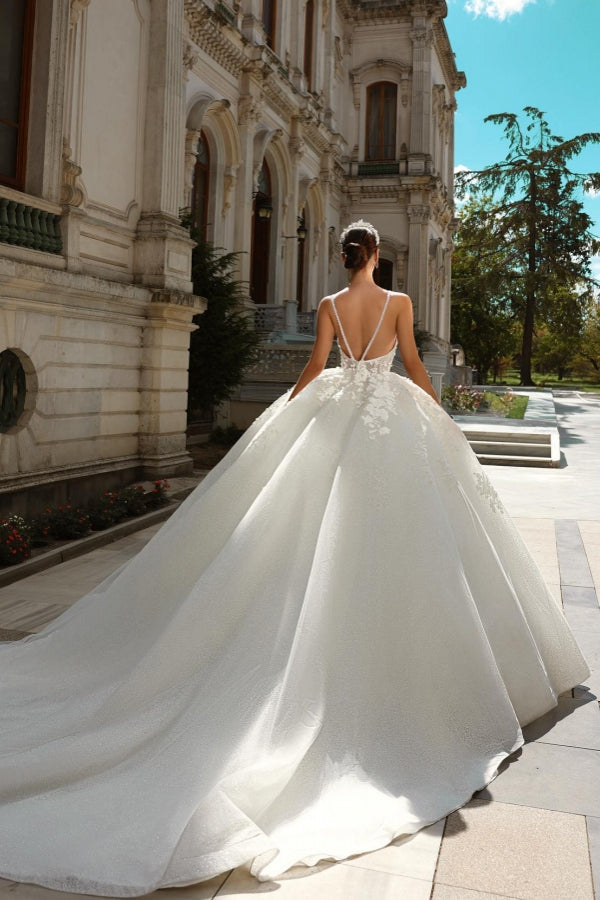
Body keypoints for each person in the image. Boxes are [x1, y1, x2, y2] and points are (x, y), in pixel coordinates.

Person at [0, 220, 589, 897]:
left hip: (338, 415)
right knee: (413, 539)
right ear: (376, 257)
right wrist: (440, 413)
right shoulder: (397, 306)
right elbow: (416, 367)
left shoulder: (331, 307)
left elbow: (315, 369)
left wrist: (284, 415)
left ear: (345, 257)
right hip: (391, 422)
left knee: (313, 534)